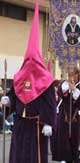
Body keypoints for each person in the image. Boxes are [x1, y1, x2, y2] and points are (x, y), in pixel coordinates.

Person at [1, 1, 57, 163]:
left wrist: (49, 123)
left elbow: (51, 104)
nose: (31, 62)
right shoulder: (18, 77)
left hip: (36, 125)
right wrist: (9, 100)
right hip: (19, 123)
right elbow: (14, 96)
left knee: (33, 156)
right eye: (28, 58)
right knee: (19, 155)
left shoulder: (46, 80)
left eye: (34, 59)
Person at [50, 67, 80, 163]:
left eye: (73, 75)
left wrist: (75, 90)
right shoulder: (64, 84)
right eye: (69, 75)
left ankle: (76, 157)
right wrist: (68, 88)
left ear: (77, 75)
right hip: (65, 115)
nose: (71, 77)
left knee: (75, 139)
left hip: (76, 115)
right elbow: (61, 93)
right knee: (64, 139)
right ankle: (65, 158)